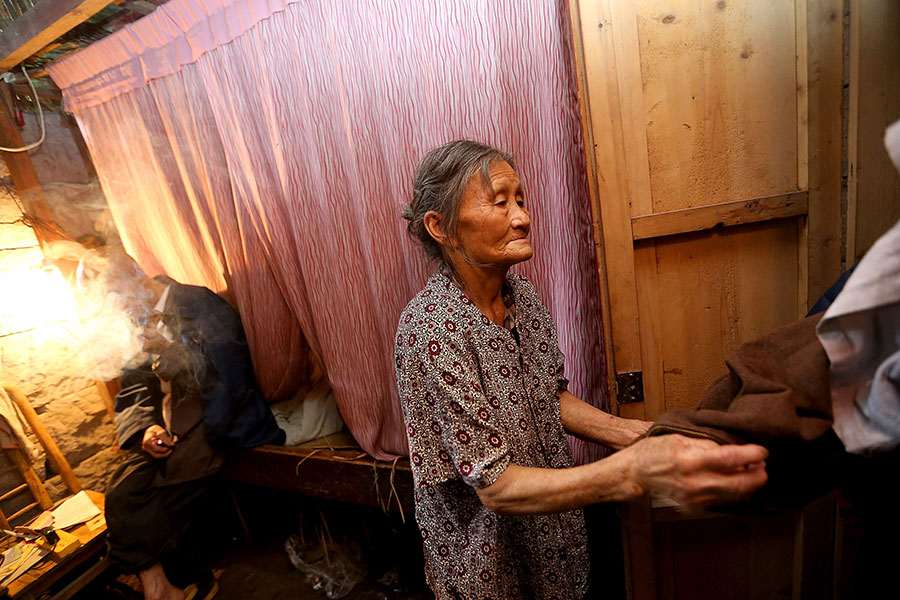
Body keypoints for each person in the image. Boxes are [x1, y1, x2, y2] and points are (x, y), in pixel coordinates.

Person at [394, 140, 769, 599]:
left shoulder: (522, 298)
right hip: (490, 565)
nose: (522, 217)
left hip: (555, 542)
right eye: (499, 202)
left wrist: (640, 436)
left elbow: (547, 395)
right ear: (441, 228)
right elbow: (495, 487)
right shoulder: (433, 329)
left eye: (520, 199)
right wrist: (634, 470)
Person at [80, 250, 285, 600]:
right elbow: (134, 387)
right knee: (122, 489)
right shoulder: (139, 319)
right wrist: (145, 428)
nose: (117, 310)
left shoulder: (198, 302)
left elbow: (229, 375)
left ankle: (183, 580)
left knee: (150, 497)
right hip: (169, 425)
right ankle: (172, 585)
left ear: (133, 276)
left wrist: (172, 350)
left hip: (218, 417)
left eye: (115, 298)